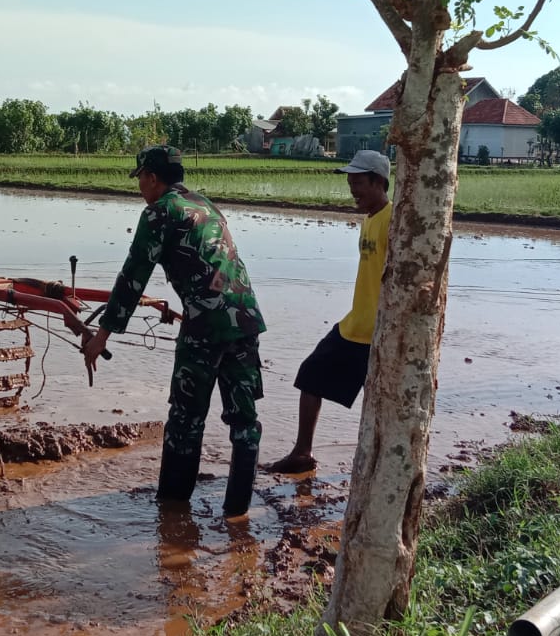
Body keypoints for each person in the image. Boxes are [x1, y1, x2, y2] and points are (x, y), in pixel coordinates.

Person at [84, 145, 267, 518]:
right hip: (245, 319)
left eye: (140, 179)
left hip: (204, 326)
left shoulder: (159, 213)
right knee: (244, 421)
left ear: (152, 178)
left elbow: (133, 275)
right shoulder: (207, 206)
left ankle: (171, 509)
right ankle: (238, 512)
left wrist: (102, 334)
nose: (139, 187)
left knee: (185, 418)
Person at [262, 149, 391, 475]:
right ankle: (302, 453)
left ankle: (377, 467)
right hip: (355, 325)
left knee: (378, 404)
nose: (352, 189)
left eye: (358, 182)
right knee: (311, 375)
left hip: (377, 333)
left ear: (378, 182)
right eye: (350, 182)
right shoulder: (371, 218)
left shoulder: (394, 220)